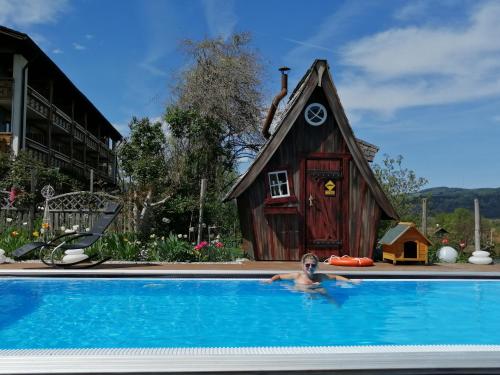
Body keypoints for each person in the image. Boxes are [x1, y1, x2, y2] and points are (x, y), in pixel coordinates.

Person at [266, 253, 358, 286]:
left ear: (316, 266)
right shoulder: (297, 275)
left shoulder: (320, 276)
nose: (310, 267)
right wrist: (270, 281)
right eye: (307, 265)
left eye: (313, 265)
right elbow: (279, 276)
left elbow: (337, 278)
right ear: (302, 265)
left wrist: (350, 282)